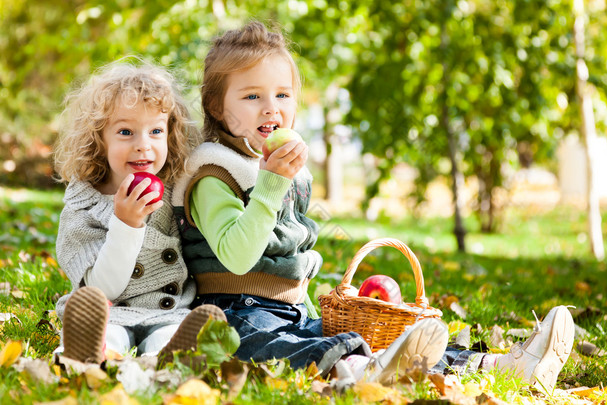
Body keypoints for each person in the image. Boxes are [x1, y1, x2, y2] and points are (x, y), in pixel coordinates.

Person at [172, 21, 575, 392]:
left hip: (289, 310)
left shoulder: (282, 171)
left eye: (282, 94)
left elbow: (288, 255)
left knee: (363, 334)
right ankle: (367, 371)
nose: (270, 107)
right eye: (251, 96)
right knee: (277, 347)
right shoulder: (214, 174)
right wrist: (271, 183)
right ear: (217, 107)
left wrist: (312, 305)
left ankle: (499, 364)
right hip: (235, 313)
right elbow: (239, 258)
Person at [53, 59, 226, 366]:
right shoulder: (85, 205)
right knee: (109, 335)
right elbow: (102, 288)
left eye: (156, 131)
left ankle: (172, 358)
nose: (143, 145)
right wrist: (126, 224)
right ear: (98, 139)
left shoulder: (178, 190)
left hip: (168, 310)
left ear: (170, 135)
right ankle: (90, 354)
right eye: (125, 132)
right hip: (108, 309)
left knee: (169, 336)